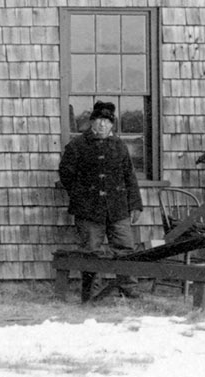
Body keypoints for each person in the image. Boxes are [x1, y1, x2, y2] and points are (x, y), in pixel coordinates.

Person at [59, 99, 145, 297]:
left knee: (125, 249)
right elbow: (66, 175)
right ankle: (91, 294)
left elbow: (129, 176)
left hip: (118, 209)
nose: (102, 124)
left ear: (112, 124)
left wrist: (135, 205)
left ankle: (129, 290)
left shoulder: (120, 146)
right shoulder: (77, 146)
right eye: (98, 120)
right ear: (91, 122)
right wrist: (81, 196)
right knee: (91, 252)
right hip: (88, 210)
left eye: (107, 121)